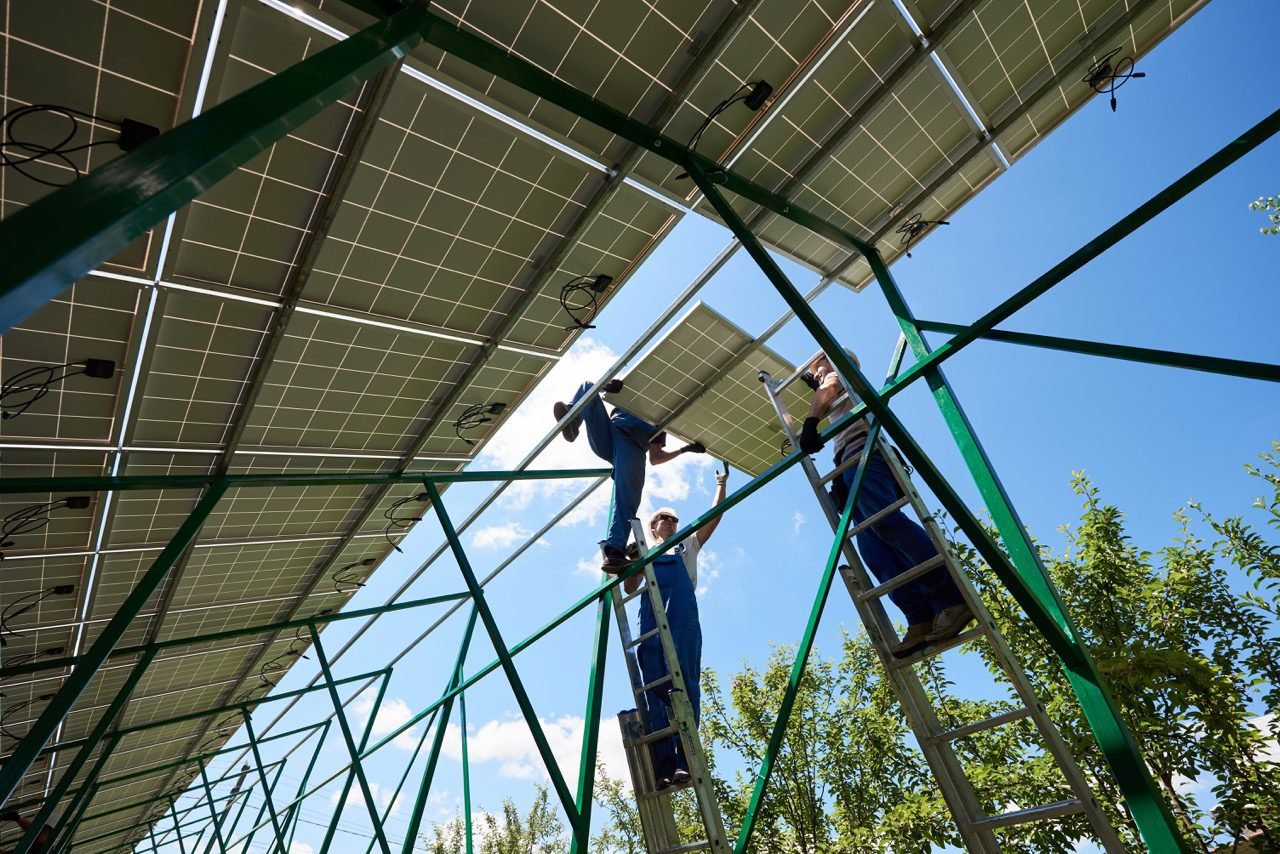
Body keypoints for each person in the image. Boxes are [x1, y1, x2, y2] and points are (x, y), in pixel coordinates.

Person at [797, 351, 973, 657]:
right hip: (850, 460)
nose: (817, 371)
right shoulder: (838, 387)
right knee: (873, 548)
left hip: (866, 452)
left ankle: (950, 598)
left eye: (819, 365)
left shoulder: (838, 373)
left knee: (886, 523)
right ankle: (920, 617)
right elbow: (827, 395)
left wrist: (811, 422)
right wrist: (819, 397)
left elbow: (827, 390)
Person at [626, 466, 729, 789]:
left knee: (684, 686)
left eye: (674, 519)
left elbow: (715, 515)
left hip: (683, 618)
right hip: (651, 622)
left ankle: (685, 760)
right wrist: (630, 563)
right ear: (653, 527)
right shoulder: (644, 551)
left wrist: (721, 486)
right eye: (664, 519)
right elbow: (630, 588)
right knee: (655, 690)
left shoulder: (688, 546)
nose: (671, 522)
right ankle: (665, 765)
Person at [553, 378, 706, 572]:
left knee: (627, 497)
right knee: (588, 387)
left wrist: (685, 450)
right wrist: (606, 387)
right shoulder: (634, 388)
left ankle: (615, 552)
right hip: (609, 434)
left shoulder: (661, 415)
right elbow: (610, 391)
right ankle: (572, 418)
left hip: (632, 447)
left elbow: (655, 458)